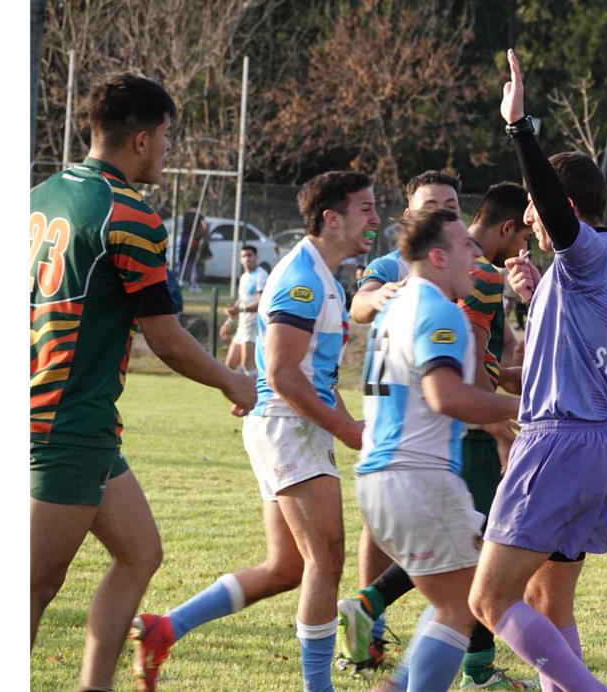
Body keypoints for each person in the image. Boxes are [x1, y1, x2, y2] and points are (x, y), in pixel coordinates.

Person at [30, 74, 256, 692]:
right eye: (166, 137)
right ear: (139, 138)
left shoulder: (41, 195)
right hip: (64, 421)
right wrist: (231, 382)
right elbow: (166, 338)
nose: (167, 149)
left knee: (140, 552)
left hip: (79, 419)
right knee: (31, 592)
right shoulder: (129, 214)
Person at [131, 171, 380, 692]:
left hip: (293, 428)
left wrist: (348, 423)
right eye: (366, 209)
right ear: (331, 218)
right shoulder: (302, 279)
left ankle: (165, 627)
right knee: (327, 560)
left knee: (287, 567)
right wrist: (346, 429)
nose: (376, 220)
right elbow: (283, 375)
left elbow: (313, 374)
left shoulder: (327, 278)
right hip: (289, 429)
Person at [465, 49, 607, 692]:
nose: (529, 218)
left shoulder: (586, 251)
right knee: (546, 604)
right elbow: (576, 340)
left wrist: (520, 129)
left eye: (536, 208)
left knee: (488, 602)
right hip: (593, 443)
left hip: (557, 443)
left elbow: (557, 213)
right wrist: (538, 294)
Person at [339, 181, 534, 690]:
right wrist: (529, 409)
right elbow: (447, 395)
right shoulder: (438, 310)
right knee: (465, 604)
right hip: (417, 477)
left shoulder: (400, 307)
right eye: (467, 248)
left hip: (381, 476)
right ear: (438, 256)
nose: (476, 257)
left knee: (457, 600)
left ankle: (395, 679)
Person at [349, 169, 464, 589]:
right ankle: (371, 617)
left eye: (450, 208)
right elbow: (359, 305)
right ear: (407, 215)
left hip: (458, 413)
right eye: (429, 207)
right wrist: (375, 296)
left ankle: (371, 612)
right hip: (415, 416)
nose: (441, 216)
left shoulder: (468, 260)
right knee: (388, 528)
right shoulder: (393, 265)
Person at [221, 244, 269, 375]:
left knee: (247, 364)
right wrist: (228, 322)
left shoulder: (261, 275)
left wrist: (240, 310)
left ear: (256, 257)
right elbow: (241, 301)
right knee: (230, 364)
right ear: (240, 259)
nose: (247, 259)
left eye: (250, 255)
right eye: (243, 256)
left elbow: (262, 303)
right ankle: (240, 393)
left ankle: (257, 394)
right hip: (242, 326)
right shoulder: (244, 277)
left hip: (254, 325)